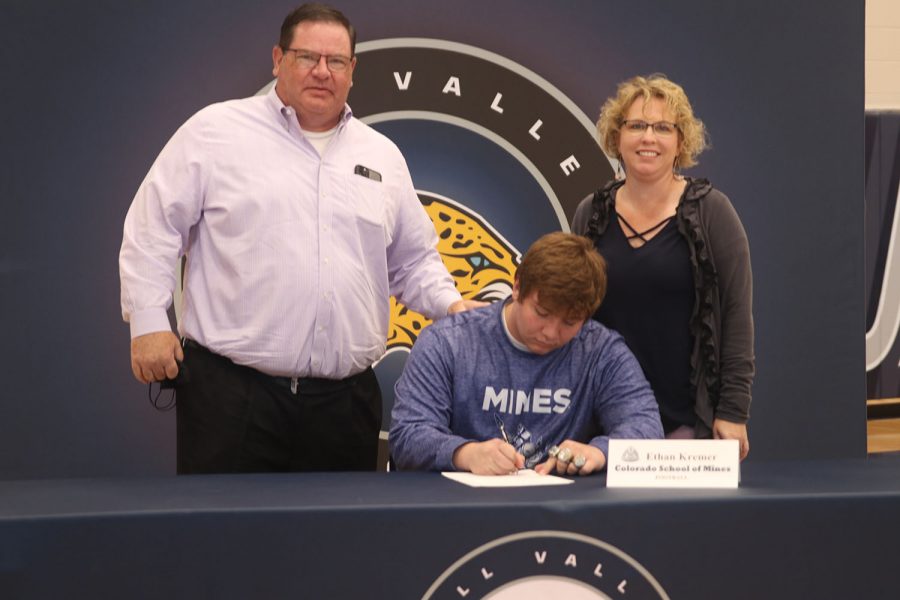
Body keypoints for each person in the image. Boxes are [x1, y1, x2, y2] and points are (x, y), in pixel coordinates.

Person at [119, 3, 480, 474]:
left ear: (353, 70)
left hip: (345, 405)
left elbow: (413, 261)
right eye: (307, 57)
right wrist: (148, 320)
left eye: (336, 61)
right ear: (278, 60)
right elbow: (153, 226)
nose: (322, 72)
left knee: (334, 545)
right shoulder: (215, 132)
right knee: (223, 542)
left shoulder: (382, 156)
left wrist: (451, 306)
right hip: (231, 399)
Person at [571, 74, 754, 460]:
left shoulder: (712, 212)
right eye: (636, 125)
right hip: (605, 424)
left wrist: (734, 410)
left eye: (662, 128)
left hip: (689, 423)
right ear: (616, 138)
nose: (648, 138)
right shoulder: (590, 214)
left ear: (680, 142)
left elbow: (736, 314)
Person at [389, 232, 663, 476]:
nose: (551, 333)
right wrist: (465, 453)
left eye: (570, 322)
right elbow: (408, 434)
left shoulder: (600, 350)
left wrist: (601, 451)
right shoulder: (449, 341)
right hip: (460, 511)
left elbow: (646, 426)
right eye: (542, 313)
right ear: (517, 286)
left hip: (562, 514)